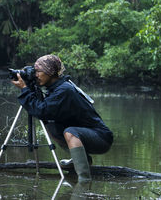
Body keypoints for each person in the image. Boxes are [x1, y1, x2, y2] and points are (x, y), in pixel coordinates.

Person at [11, 54, 113, 182]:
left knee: (70, 132)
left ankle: (84, 180)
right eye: (34, 71)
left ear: (50, 71)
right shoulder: (56, 88)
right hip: (87, 134)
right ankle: (83, 160)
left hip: (101, 138)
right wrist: (30, 88)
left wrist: (25, 90)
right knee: (51, 125)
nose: (35, 75)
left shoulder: (64, 90)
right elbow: (43, 112)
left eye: (38, 71)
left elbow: (41, 111)